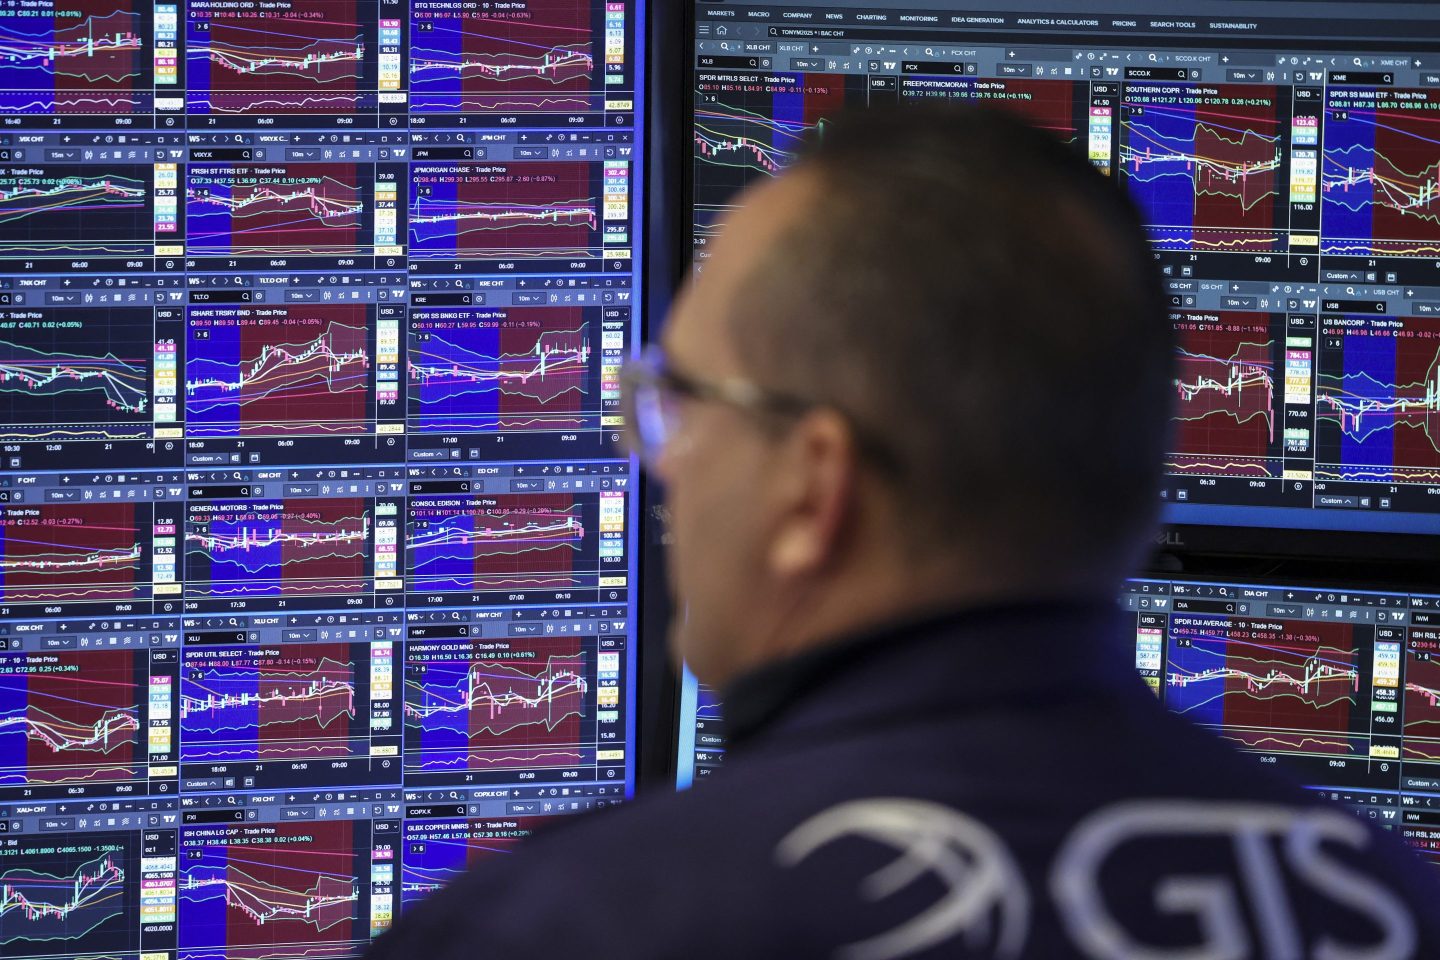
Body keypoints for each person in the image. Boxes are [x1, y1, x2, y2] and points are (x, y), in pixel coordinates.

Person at [367, 105, 1440, 959]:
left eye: (681, 407)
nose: (660, 467)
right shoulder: (1389, 899)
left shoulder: (572, 926)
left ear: (812, 485)